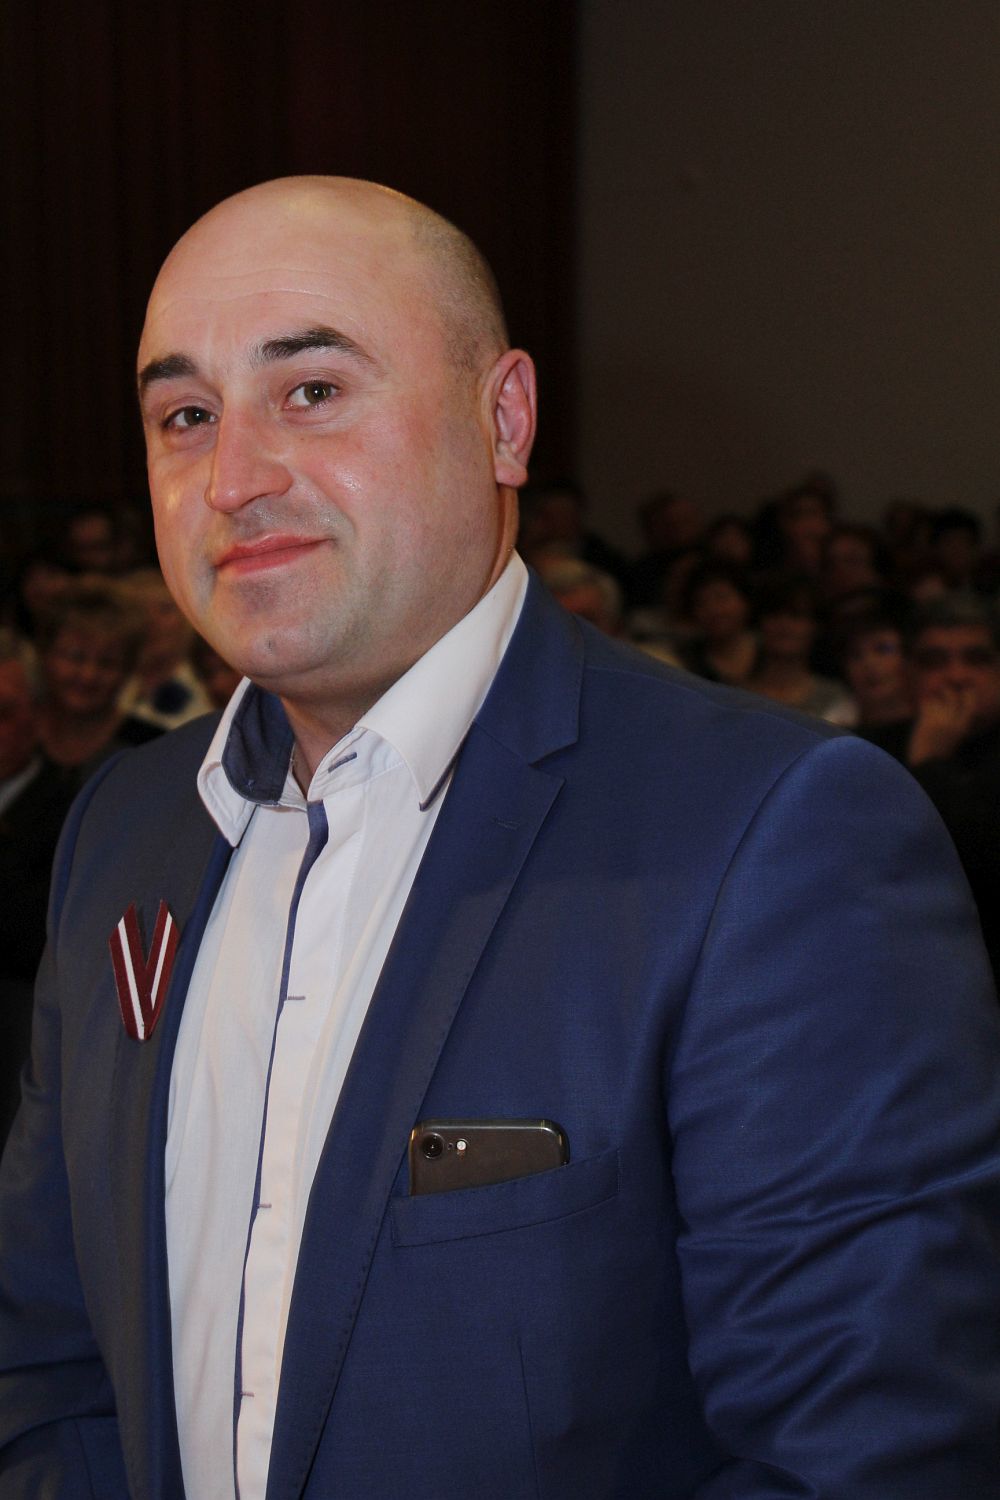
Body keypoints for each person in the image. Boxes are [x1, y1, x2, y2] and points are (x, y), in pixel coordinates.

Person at [1, 177, 999, 1500]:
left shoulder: (775, 831)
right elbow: (50, 1353)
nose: (232, 479)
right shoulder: (124, 828)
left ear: (505, 420)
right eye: (186, 416)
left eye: (313, 391)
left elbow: (862, 1454)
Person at [859, 594, 1000, 982]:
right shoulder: (870, 751)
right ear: (908, 674)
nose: (956, 676)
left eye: (976, 659)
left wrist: (931, 764)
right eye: (935, 661)